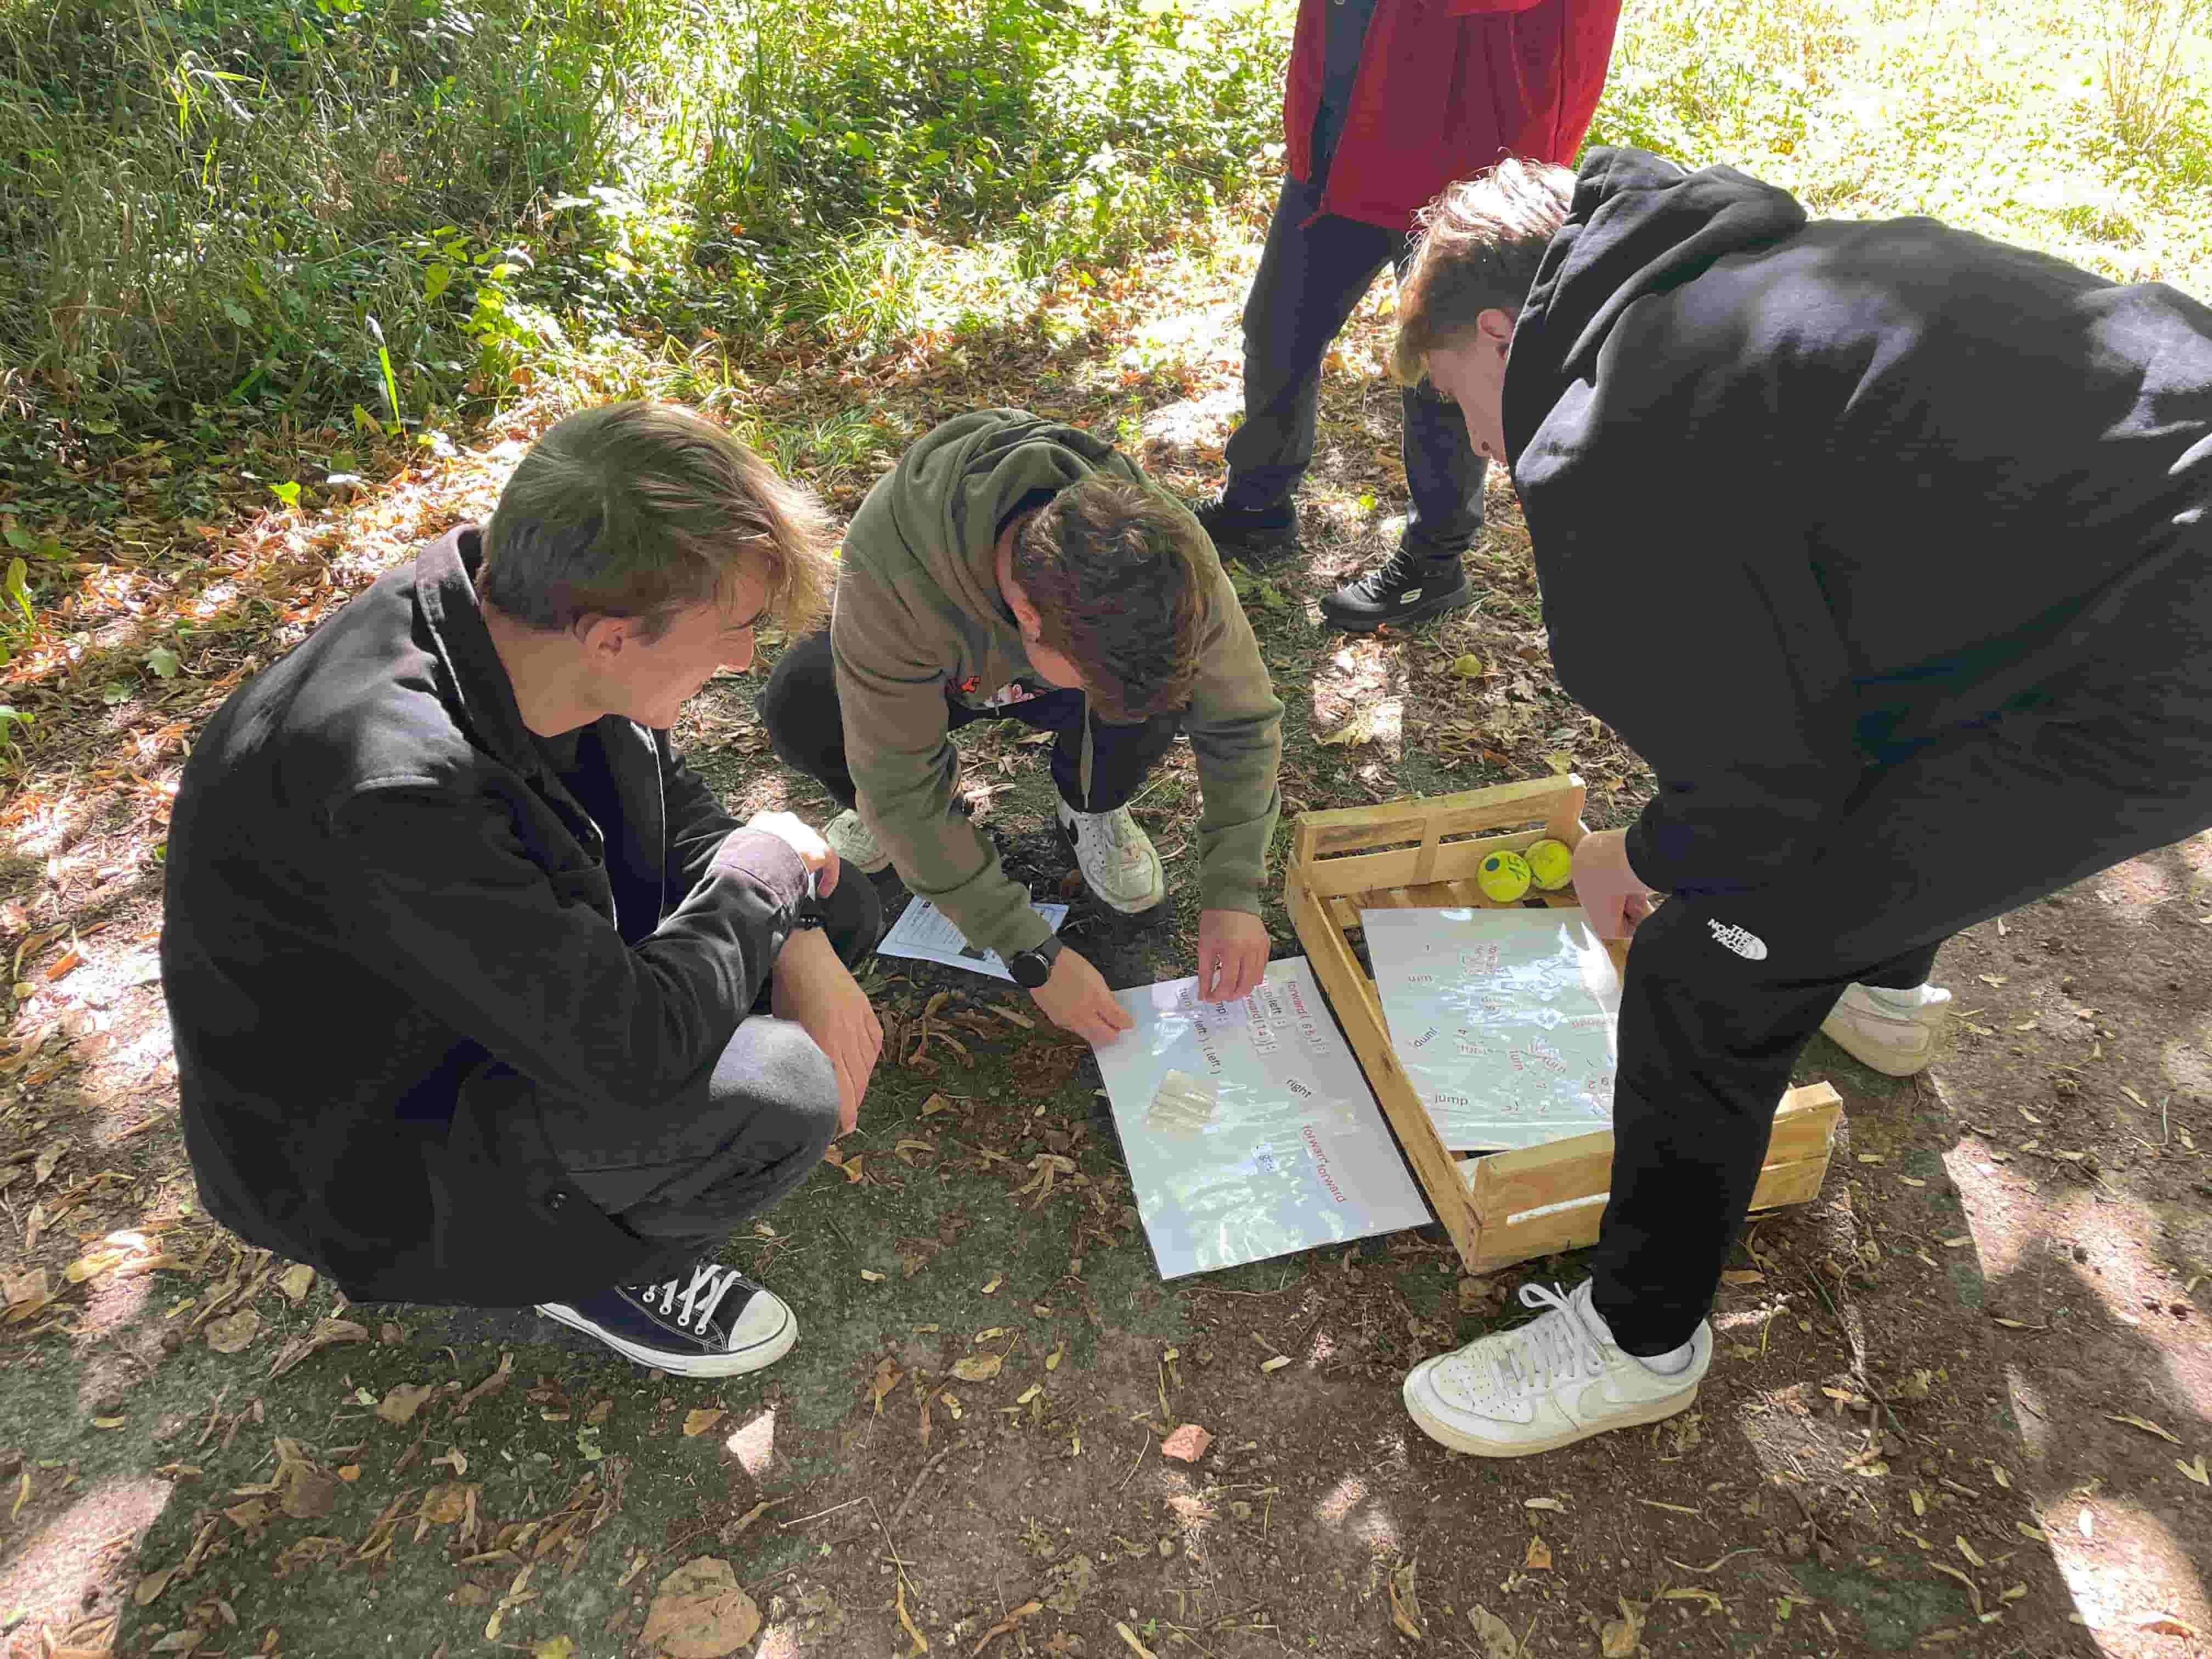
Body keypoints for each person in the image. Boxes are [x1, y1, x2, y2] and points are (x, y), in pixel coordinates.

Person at [1383, 149, 2212, 1455]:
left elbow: (1761, 803)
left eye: (1458, 401)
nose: (1483, 446)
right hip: (2132, 509)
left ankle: (1638, 1339)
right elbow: (1845, 673)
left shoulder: (1609, 440)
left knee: (1705, 969)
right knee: (1893, 741)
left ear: (1499, 330)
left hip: (2162, 652)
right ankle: (1879, 995)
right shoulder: (1730, 278)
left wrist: (1638, 854)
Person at [161, 403, 885, 1379]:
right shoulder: (397, 790)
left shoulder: (521, 612)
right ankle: (588, 1264)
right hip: (376, 1144)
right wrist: (765, 873)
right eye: (735, 631)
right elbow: (631, 1055)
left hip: (487, 994)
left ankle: (619, 1171)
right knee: (778, 1091)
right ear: (612, 639)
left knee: (837, 905)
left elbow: (674, 806)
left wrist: (792, 920)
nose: (743, 661)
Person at [759, 410, 1285, 1039]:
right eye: (1085, 678)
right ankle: (894, 826)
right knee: (803, 703)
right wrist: (1028, 949)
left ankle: (1091, 803)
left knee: (1152, 690)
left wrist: (1233, 890)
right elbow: (900, 788)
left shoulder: (1168, 554)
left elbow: (1241, 719)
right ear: (1028, 618)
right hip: (936, 671)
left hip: (1050, 665)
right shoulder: (893, 567)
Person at [1193, 0, 1622, 634]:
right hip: (1343, 132)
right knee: (1277, 329)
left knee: (1449, 365)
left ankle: (1435, 563)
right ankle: (1256, 506)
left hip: (1474, 142)